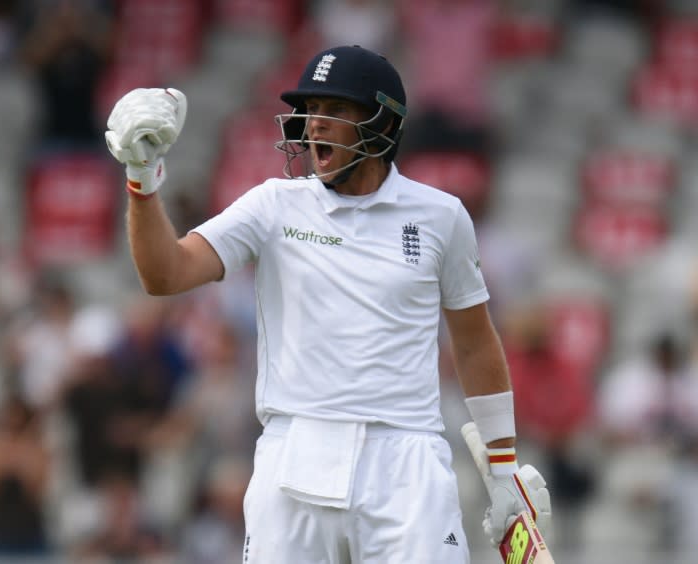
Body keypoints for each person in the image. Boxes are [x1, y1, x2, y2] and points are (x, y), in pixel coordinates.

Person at [105, 45, 551, 563]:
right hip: (295, 453)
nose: (315, 126)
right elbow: (164, 274)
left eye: (335, 111)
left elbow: (475, 344)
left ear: (382, 122)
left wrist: (503, 472)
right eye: (311, 111)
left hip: (406, 463)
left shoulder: (441, 216)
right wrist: (142, 176)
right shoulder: (273, 205)